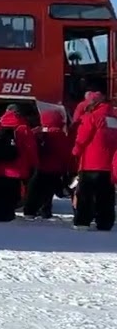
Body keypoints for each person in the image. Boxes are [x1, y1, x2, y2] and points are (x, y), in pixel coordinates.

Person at [70, 96, 117, 231]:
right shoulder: (113, 118)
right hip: (109, 165)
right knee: (106, 195)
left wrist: (75, 152)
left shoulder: (92, 117)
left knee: (85, 194)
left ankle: (83, 221)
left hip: (90, 163)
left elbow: (82, 137)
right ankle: (105, 222)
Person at [0, 104, 39, 223]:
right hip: (17, 169)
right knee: (12, 195)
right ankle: (7, 216)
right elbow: (31, 149)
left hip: (0, 168)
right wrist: (34, 165)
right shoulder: (23, 128)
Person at [24, 108, 70, 219]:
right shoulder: (62, 136)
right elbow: (65, 154)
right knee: (48, 193)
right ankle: (45, 210)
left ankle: (30, 211)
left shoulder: (38, 132)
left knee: (34, 191)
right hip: (55, 170)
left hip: (40, 167)